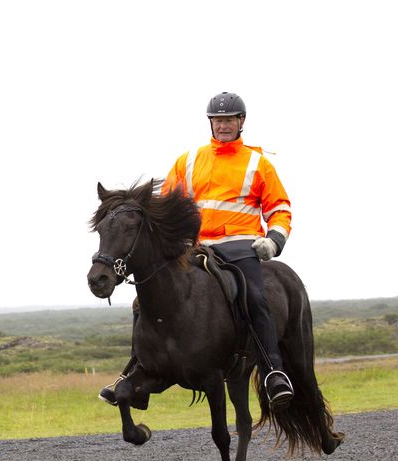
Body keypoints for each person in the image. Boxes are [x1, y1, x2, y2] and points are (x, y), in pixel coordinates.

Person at [99, 91, 294, 411]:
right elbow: (166, 208)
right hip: (195, 247)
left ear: (240, 122)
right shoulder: (188, 161)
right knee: (144, 300)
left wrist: (273, 240)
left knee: (255, 298)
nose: (223, 126)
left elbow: (280, 207)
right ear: (211, 124)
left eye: (229, 120)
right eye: (218, 121)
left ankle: (273, 372)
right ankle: (135, 372)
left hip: (241, 244)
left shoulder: (259, 164)